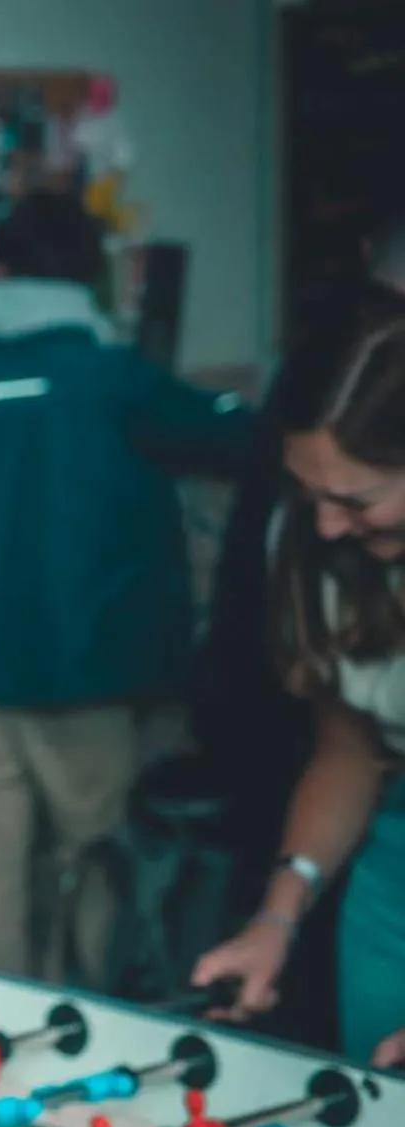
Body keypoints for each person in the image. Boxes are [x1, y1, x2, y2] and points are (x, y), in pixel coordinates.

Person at [0, 192, 253, 983]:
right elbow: (238, 434)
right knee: (94, 854)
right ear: (91, 277)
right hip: (87, 668)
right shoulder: (110, 375)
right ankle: (88, 1019)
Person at [192, 320, 405, 1071]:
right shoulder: (316, 539)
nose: (325, 523)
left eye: (355, 497)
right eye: (308, 491)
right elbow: (349, 755)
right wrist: (277, 919)